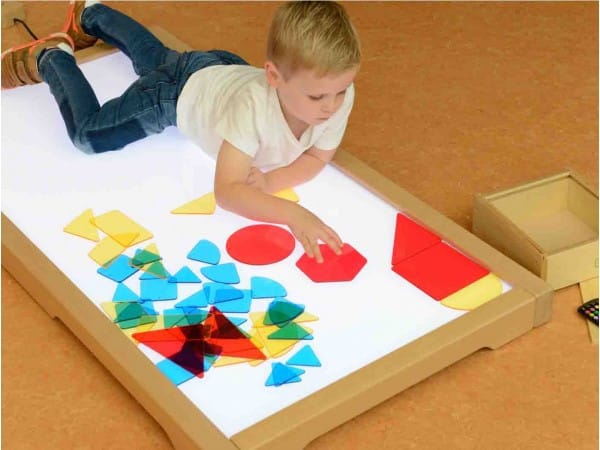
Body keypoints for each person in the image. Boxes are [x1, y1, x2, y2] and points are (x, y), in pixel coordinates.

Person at [1, 1, 361, 263]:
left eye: (341, 91)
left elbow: (317, 156)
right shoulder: (251, 109)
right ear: (274, 77)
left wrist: (269, 182)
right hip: (178, 93)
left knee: (157, 59)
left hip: (220, 70)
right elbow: (228, 191)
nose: (331, 106)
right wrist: (293, 214)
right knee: (89, 135)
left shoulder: (335, 96)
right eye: (317, 97)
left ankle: (90, 14)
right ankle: (51, 57)